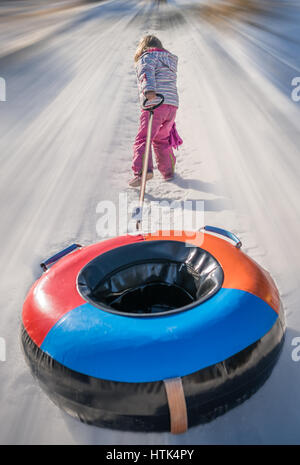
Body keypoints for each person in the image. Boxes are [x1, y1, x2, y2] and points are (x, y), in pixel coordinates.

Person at [129, 35, 181, 188]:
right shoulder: (169, 61)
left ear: (143, 47)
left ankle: (142, 171)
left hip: (155, 103)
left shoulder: (148, 57)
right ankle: (168, 172)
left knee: (143, 138)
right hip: (171, 105)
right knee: (161, 139)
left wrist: (149, 90)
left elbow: (146, 73)